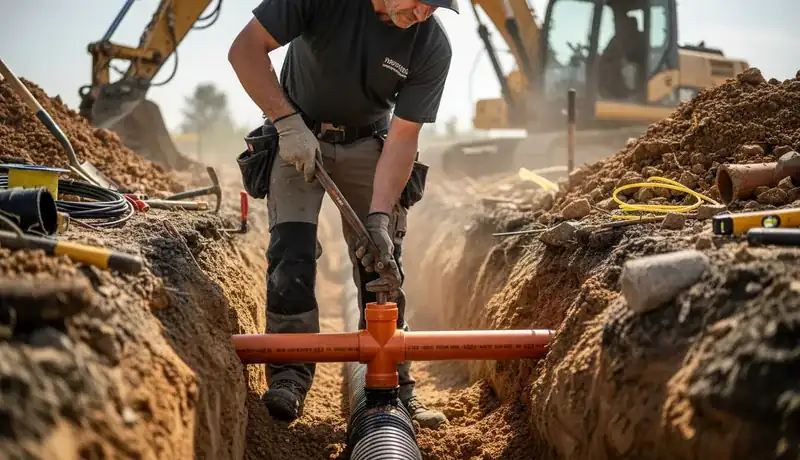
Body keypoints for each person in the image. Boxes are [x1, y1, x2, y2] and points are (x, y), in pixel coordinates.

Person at [228, 0, 457, 429]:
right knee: (290, 253)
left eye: (436, 6)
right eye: (421, 1)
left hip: (371, 143)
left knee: (380, 260)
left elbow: (404, 137)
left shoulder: (430, 43)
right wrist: (287, 122)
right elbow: (245, 49)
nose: (425, 12)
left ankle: (393, 387)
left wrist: (379, 217)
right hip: (298, 134)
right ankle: (289, 374)